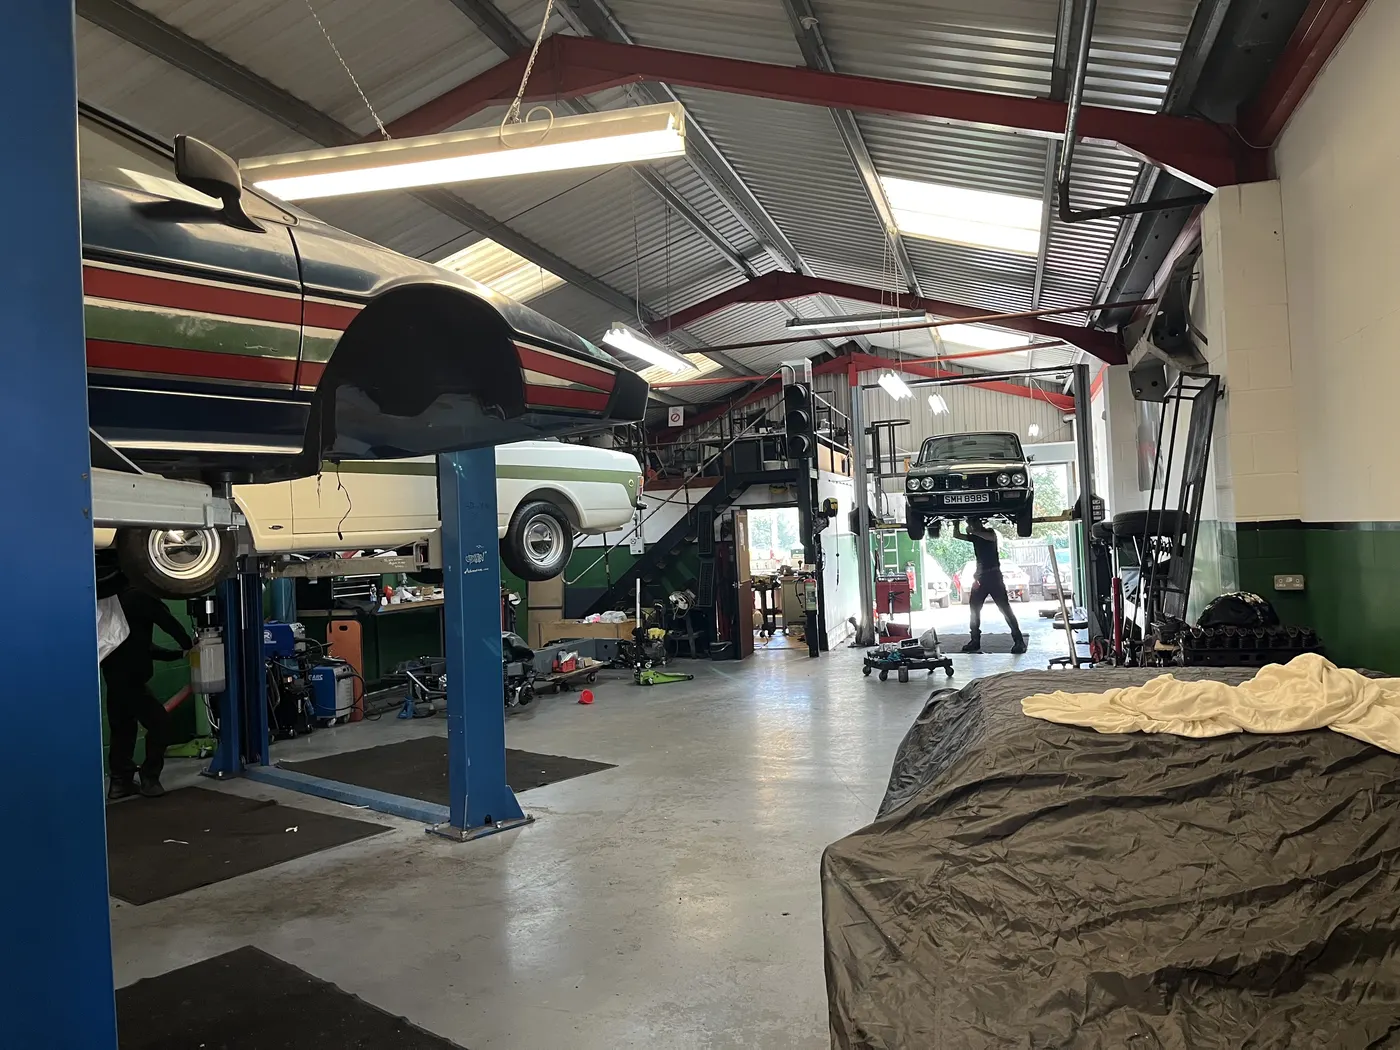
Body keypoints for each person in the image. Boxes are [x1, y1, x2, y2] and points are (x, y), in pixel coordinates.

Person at [103, 584, 193, 800]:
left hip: (113, 680)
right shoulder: (142, 595)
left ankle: (120, 782)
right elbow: (168, 622)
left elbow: (141, 645)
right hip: (132, 680)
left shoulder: (112, 601)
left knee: (122, 730)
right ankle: (149, 778)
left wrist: (178, 654)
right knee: (160, 724)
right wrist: (189, 644)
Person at [952, 517, 1026, 655]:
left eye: (974, 522)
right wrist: (956, 523)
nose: (972, 525)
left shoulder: (989, 533)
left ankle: (1019, 641)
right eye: (970, 523)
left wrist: (973, 531)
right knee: (974, 609)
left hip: (994, 577)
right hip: (980, 579)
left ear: (980, 523)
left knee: (1005, 609)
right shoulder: (974, 537)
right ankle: (975, 641)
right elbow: (956, 535)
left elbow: (990, 537)